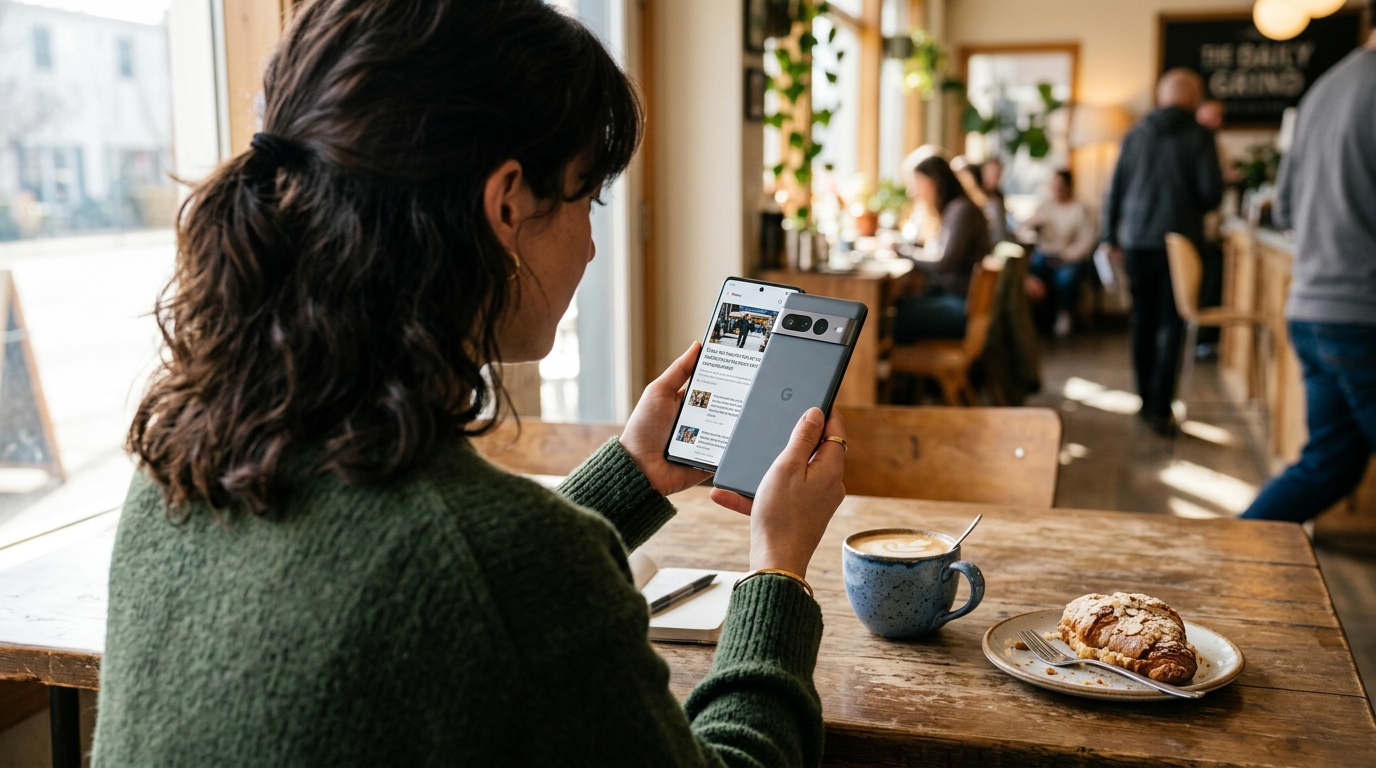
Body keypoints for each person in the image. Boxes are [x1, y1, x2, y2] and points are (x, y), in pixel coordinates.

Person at [92, 2, 848, 765]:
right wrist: (780, 572)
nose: (590, 247)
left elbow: (445, 585)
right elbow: (489, 572)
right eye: (589, 196)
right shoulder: (508, 557)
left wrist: (632, 476)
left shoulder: (176, 463)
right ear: (507, 203)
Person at [1242, 20, 1376, 524]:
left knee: (1329, 466)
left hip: (1313, 308)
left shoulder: (1326, 86)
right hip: (1364, 315)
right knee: (1327, 465)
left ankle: (1225, 558)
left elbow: (1288, 208)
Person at [1102, 67, 1223, 435]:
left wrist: (1109, 237)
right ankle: (1159, 407)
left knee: (1142, 320)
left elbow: (1114, 190)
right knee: (1173, 322)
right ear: (1193, 98)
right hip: (1180, 244)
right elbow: (1211, 193)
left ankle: (1143, 400)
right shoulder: (1199, 136)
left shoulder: (1134, 135)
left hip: (1136, 240)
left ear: (1161, 97)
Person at [894, 154, 993, 342]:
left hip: (960, 305)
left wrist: (901, 252)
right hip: (956, 299)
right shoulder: (953, 210)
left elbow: (943, 263)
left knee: (895, 314)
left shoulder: (961, 210)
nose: (913, 191)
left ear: (935, 182)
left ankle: (905, 369)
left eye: (917, 183)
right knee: (901, 304)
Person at [1021, 170, 1098, 338]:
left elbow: (1086, 242)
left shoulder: (1081, 209)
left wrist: (1066, 256)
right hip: (1045, 255)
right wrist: (1031, 224)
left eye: (1061, 187)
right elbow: (1024, 228)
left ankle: (1065, 313)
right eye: (1054, 187)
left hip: (1070, 258)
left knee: (1066, 279)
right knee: (1030, 273)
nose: (1057, 190)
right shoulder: (1045, 207)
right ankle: (1034, 318)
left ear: (1069, 187)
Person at [979, 158, 1011, 244]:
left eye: (999, 174)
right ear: (983, 172)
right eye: (993, 174)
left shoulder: (999, 197)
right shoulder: (977, 197)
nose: (997, 178)